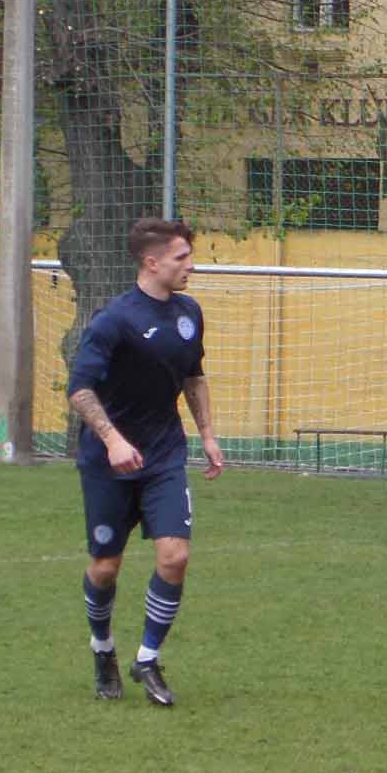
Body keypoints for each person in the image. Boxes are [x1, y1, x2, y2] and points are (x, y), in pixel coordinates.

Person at [67, 217, 226, 707]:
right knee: (105, 567)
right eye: (182, 257)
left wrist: (207, 435)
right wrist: (113, 441)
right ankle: (103, 649)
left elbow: (193, 376)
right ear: (151, 262)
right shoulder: (114, 320)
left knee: (175, 556)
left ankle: (147, 659)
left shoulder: (189, 313)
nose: (191, 265)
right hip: (108, 462)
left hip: (163, 455)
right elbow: (80, 390)